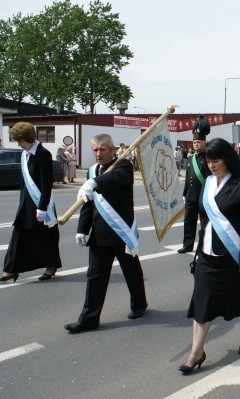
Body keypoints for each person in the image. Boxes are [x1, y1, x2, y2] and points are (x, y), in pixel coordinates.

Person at [179, 138, 240, 373]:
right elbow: (204, 219)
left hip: (233, 257)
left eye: (215, 160)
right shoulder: (206, 183)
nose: (211, 165)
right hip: (207, 255)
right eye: (208, 160)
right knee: (202, 305)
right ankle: (196, 352)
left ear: (227, 159)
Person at [65, 134, 147, 333]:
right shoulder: (93, 171)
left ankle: (139, 304)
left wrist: (95, 183)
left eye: (102, 149)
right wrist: (82, 229)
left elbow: (116, 179)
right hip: (99, 232)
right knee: (95, 276)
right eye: (95, 150)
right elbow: (87, 202)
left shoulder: (123, 165)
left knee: (131, 271)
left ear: (112, 150)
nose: (98, 153)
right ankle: (88, 319)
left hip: (120, 231)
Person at [2, 122, 62, 283]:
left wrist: (42, 208)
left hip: (41, 205)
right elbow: (24, 183)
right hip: (26, 204)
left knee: (47, 237)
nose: (18, 145)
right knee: (19, 236)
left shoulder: (43, 154)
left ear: (25, 138)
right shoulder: (25, 154)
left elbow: (46, 184)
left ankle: (51, 266)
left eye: (19, 141)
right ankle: (10, 269)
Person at [178, 115, 211, 253]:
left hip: (204, 195)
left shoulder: (209, 157)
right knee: (188, 222)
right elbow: (188, 177)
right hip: (191, 196)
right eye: (195, 142)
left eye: (199, 142)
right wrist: (185, 193)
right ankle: (187, 244)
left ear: (204, 143)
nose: (196, 144)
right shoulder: (191, 158)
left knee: (205, 222)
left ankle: (204, 245)